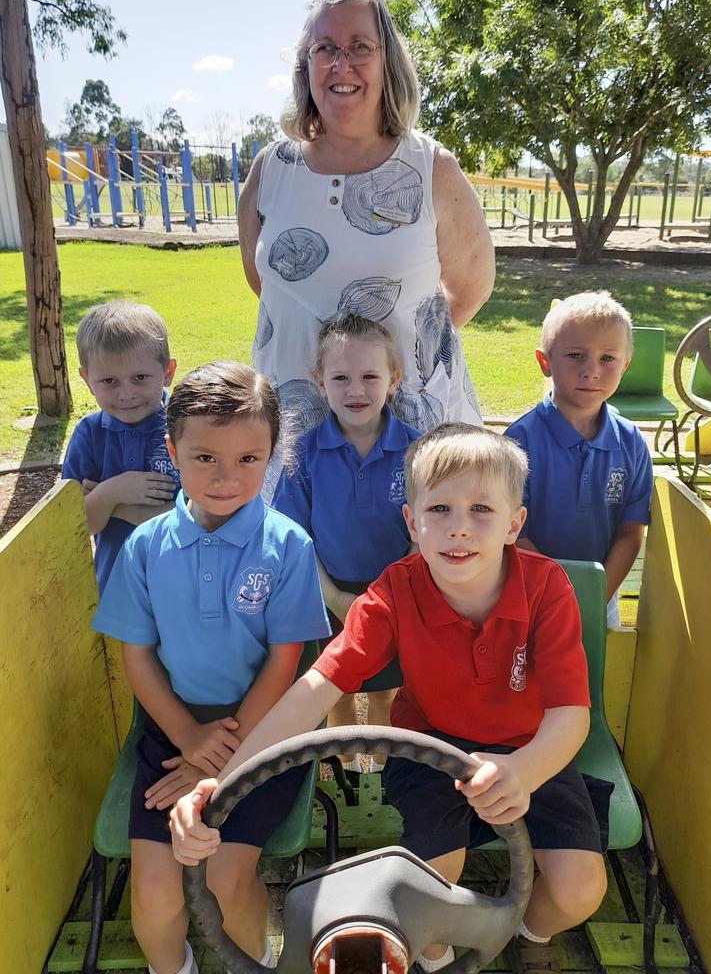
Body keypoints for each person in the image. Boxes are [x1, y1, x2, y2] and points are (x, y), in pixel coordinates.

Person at [170, 424, 608, 974]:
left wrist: (525, 769)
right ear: (412, 521)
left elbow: (571, 715)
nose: (459, 529)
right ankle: (438, 955)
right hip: (430, 748)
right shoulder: (394, 591)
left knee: (580, 891)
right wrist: (224, 780)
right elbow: (315, 689)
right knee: (427, 892)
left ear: (514, 524)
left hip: (530, 749)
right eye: (440, 509)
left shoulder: (546, 588)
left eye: (481, 510)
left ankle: (526, 930)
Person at [92, 362, 331, 974]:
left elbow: (286, 661)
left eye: (250, 459)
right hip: (172, 736)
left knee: (225, 876)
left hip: (263, 736)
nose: (227, 477)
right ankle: (171, 968)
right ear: (172, 452)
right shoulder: (147, 546)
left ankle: (256, 962)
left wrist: (224, 750)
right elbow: (137, 655)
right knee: (154, 887)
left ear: (272, 454)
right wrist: (189, 740)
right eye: (205, 459)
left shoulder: (288, 546)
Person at [237, 0, 494, 470]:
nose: (341, 64)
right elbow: (265, 284)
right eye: (325, 49)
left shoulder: (431, 168)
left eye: (360, 47)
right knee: (300, 545)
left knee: (421, 544)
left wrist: (389, 357)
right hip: (294, 426)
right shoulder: (270, 170)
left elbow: (470, 288)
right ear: (305, 65)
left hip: (415, 427)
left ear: (386, 61)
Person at [272, 314, 420, 771]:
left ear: (393, 379)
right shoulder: (304, 454)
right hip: (327, 592)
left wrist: (393, 597)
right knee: (335, 687)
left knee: (384, 690)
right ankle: (346, 774)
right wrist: (334, 596)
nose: (356, 390)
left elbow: (426, 535)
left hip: (396, 594)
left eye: (370, 376)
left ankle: (378, 772)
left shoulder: (418, 451)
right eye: (340, 378)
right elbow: (293, 539)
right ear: (319, 382)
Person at [505, 292, 653, 628]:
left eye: (608, 358)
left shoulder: (631, 443)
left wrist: (595, 595)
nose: (591, 371)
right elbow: (512, 532)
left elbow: (631, 532)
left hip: (601, 597)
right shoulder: (517, 442)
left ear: (625, 365)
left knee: (592, 675)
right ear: (545, 362)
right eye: (575, 355)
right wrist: (557, 595)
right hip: (529, 596)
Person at [61, 300, 179, 592]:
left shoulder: (186, 427)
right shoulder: (88, 436)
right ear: (87, 381)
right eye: (109, 381)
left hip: (185, 585)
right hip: (117, 587)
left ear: (167, 372)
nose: (126, 394)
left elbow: (205, 516)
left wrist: (114, 506)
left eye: (140, 378)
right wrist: (112, 492)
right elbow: (75, 526)